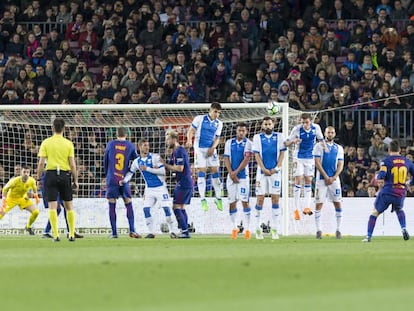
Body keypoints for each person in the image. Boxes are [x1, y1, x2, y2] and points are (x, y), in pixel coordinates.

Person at [121, 138, 174, 239]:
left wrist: (148, 169)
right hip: (149, 189)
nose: (147, 147)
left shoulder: (155, 157)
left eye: (148, 145)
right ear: (139, 147)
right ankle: (152, 232)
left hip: (161, 188)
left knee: (166, 208)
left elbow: (163, 171)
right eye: (145, 145)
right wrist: (124, 181)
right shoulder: (136, 162)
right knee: (146, 209)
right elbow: (130, 173)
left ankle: (172, 231)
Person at [362, 140, 414, 242]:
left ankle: (368, 236)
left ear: (389, 149)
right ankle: (403, 228)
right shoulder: (407, 161)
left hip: (388, 191)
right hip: (400, 192)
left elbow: (381, 176)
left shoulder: (386, 161)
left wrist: (378, 176)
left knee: (375, 213)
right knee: (399, 209)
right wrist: (410, 183)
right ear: (399, 150)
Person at [36, 118, 78, 242]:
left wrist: (38, 178)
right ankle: (71, 234)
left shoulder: (46, 142)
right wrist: (75, 180)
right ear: (64, 128)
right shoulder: (68, 143)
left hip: (50, 175)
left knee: (52, 206)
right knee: (69, 206)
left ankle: (55, 235)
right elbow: (73, 164)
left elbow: (41, 163)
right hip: (65, 175)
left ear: (52, 128)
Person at [252, 116, 286, 240]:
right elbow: (256, 155)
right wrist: (264, 169)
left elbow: (282, 153)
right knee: (260, 199)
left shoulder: (280, 137)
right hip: (261, 173)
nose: (267, 126)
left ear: (273, 125)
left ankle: (275, 229)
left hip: (275, 173)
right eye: (265, 124)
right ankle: (257, 229)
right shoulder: (257, 138)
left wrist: (276, 168)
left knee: (275, 199)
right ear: (262, 126)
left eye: (269, 124)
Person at [103, 127, 141, 239]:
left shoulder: (110, 144)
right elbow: (136, 161)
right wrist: (130, 173)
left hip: (112, 178)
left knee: (112, 204)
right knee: (128, 202)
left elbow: (105, 161)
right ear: (127, 134)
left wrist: (107, 175)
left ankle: (114, 233)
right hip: (124, 179)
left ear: (115, 134)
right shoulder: (130, 145)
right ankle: (132, 230)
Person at [285, 112, 324, 220]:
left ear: (310, 121)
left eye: (306, 122)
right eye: (303, 123)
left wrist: (325, 148)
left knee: (308, 180)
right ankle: (296, 209)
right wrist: (294, 140)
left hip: (310, 158)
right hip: (299, 157)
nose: (305, 125)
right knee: (298, 180)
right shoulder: (297, 129)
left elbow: (321, 140)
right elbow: (286, 143)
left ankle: (307, 207)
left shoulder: (316, 128)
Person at [186, 102, 223, 212]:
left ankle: (218, 198)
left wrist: (213, 148)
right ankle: (203, 199)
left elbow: (217, 138)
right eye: (215, 112)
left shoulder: (219, 123)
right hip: (199, 149)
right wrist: (189, 140)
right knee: (201, 172)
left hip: (211, 149)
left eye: (219, 113)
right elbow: (191, 131)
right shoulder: (199, 119)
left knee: (215, 172)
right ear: (210, 110)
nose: (217, 114)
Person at [313, 126, 344, 239]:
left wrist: (334, 177)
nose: (330, 134)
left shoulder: (339, 148)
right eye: (328, 132)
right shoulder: (318, 146)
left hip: (334, 180)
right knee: (319, 203)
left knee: (337, 202)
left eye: (332, 132)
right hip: (321, 179)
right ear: (325, 134)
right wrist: (326, 176)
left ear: (334, 134)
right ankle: (318, 230)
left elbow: (340, 164)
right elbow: (317, 162)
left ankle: (338, 229)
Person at [223, 122, 253, 240]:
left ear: (246, 132)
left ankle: (247, 228)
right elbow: (226, 158)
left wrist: (235, 173)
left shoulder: (249, 143)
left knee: (244, 201)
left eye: (243, 131)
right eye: (239, 130)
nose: (241, 132)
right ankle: (234, 228)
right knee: (232, 202)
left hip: (243, 177)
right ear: (236, 131)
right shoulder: (229, 143)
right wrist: (231, 173)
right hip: (231, 177)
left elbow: (246, 159)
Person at [164, 131, 194, 238]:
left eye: (168, 139)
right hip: (185, 183)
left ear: (174, 139)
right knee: (181, 207)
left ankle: (185, 231)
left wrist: (165, 164)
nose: (166, 142)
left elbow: (180, 168)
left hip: (184, 183)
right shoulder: (174, 152)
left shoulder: (179, 151)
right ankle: (184, 230)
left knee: (176, 206)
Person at [40, 171, 83, 239]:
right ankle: (47, 232)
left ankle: (70, 231)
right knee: (57, 208)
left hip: (60, 178)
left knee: (66, 206)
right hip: (50, 178)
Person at [0, 165, 40, 235]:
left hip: (22, 198)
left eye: (27, 172)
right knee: (1, 212)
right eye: (24, 172)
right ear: (21, 173)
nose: (26, 174)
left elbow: (34, 189)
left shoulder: (32, 180)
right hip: (11, 198)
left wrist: (36, 197)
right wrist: (4, 200)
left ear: (29, 173)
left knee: (36, 212)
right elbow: (5, 189)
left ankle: (28, 227)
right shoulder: (14, 181)